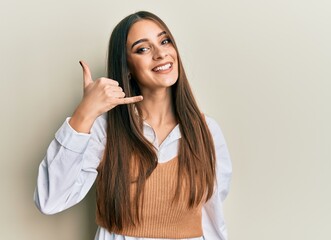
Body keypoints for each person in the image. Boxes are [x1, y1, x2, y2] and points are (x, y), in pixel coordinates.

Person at [34, 11, 232, 240]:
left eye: (164, 41)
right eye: (143, 49)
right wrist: (84, 113)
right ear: (126, 67)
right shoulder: (105, 129)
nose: (160, 53)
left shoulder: (206, 131)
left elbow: (212, 217)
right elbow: (49, 201)